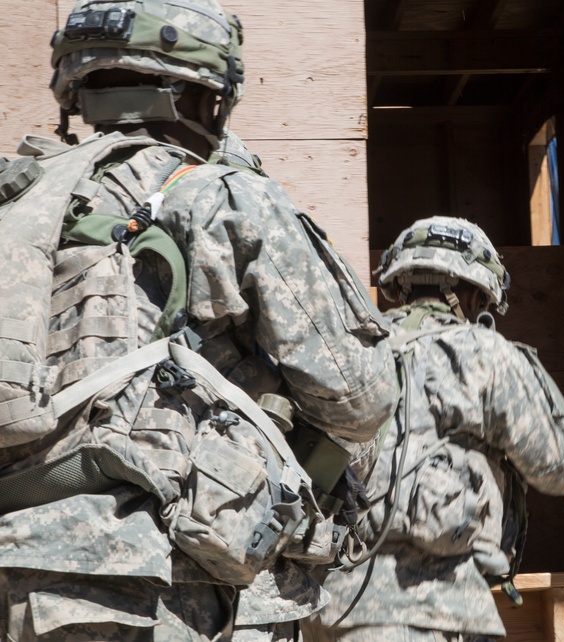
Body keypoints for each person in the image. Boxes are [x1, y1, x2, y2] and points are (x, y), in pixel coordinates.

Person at [0, 0, 399, 639]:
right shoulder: (217, 195)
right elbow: (359, 397)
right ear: (204, 96)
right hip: (149, 583)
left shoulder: (15, 202)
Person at [301, 216, 564, 642]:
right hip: (434, 610)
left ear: (399, 284)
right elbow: (561, 468)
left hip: (331, 607)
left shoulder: (353, 350)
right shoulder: (485, 352)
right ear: (474, 293)